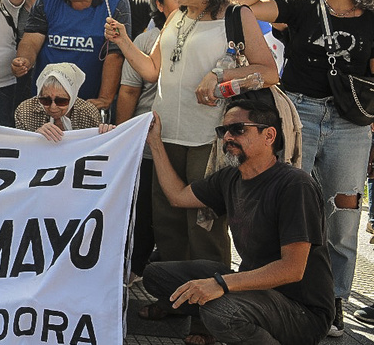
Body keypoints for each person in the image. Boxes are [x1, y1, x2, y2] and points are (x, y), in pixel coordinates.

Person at [105, 0, 280, 331]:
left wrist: (221, 77)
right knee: (167, 226)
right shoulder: (175, 18)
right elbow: (152, 72)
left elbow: (268, 71)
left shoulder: (237, 16)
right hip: (165, 137)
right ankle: (175, 303)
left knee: (204, 231)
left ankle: (206, 320)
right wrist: (123, 41)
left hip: (211, 140)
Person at [231, 0, 374, 336]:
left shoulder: (372, 19)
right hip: (299, 114)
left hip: (351, 124)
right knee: (288, 206)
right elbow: (239, 5)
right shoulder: (302, 7)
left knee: (343, 217)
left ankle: (335, 300)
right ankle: (279, 291)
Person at [142, 100, 334, 345]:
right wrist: (155, 143)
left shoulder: (295, 185)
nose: (228, 138)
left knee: (221, 312)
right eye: (223, 131)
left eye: (238, 129)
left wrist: (220, 284)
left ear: (269, 135)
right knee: (156, 277)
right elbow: (177, 197)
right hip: (256, 292)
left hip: (302, 312)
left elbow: (292, 269)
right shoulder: (230, 178)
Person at [115, 0, 178, 281]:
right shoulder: (144, 41)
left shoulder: (202, 35)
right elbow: (128, 92)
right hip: (147, 142)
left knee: (171, 215)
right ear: (161, 6)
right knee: (142, 210)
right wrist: (123, 138)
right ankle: (133, 269)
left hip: (184, 142)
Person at [12, 0, 131, 110]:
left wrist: (104, 98)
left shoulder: (115, 1)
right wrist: (24, 61)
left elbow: (115, 54)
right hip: (47, 102)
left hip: (88, 104)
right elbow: (31, 39)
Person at [14, 62, 106, 138]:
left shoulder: (88, 113)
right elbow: (20, 148)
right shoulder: (25, 111)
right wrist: (36, 138)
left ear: (73, 96)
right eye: (45, 100)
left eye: (61, 101)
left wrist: (106, 133)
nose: (53, 107)